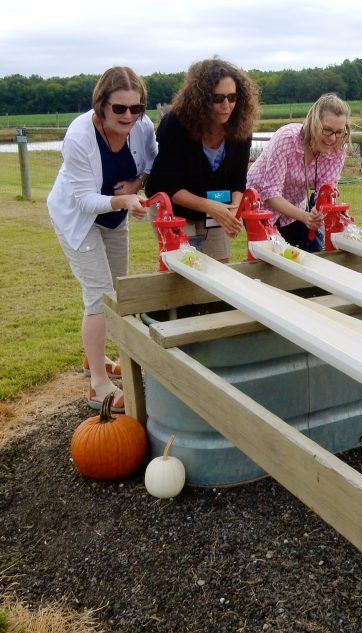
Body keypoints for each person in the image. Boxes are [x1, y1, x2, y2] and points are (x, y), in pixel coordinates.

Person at [47, 66, 157, 412]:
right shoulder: (79, 136)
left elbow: (152, 163)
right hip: (78, 218)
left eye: (136, 108)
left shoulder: (143, 127)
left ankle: (94, 357)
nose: (129, 116)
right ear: (101, 106)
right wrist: (125, 200)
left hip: (114, 217)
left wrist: (135, 187)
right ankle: (98, 384)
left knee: (118, 292)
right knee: (98, 295)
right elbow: (83, 200)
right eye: (119, 108)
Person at [145, 57, 260, 261]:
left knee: (219, 266)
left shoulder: (241, 127)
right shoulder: (175, 124)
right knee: (186, 267)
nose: (226, 105)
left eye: (232, 97)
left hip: (216, 207)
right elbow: (171, 187)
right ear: (200, 99)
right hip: (175, 206)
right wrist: (211, 207)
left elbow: (238, 181)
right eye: (218, 98)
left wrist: (232, 211)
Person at [246, 93, 351, 252]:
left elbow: (325, 190)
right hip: (260, 205)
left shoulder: (338, 149)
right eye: (327, 130)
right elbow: (270, 193)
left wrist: (318, 210)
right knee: (273, 257)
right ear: (314, 123)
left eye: (339, 132)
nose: (332, 138)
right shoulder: (287, 138)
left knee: (312, 252)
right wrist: (305, 217)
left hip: (294, 207)